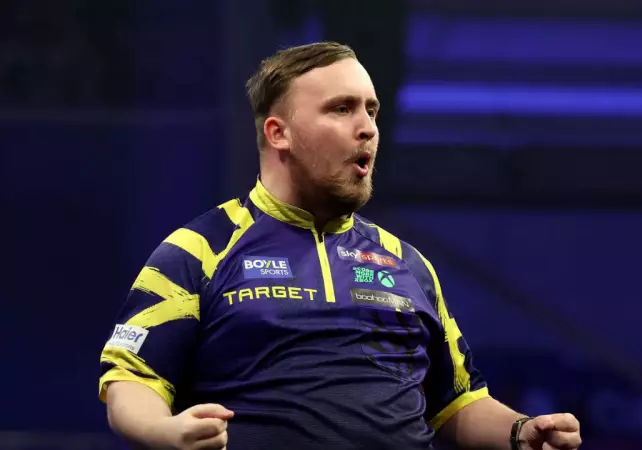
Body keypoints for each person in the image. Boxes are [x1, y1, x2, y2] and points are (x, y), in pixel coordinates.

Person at [98, 41, 582, 450]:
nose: (367, 127)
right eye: (342, 108)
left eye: (372, 109)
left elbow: (458, 402)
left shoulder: (408, 264)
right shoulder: (198, 249)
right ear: (279, 133)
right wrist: (165, 431)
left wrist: (520, 431)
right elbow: (131, 380)